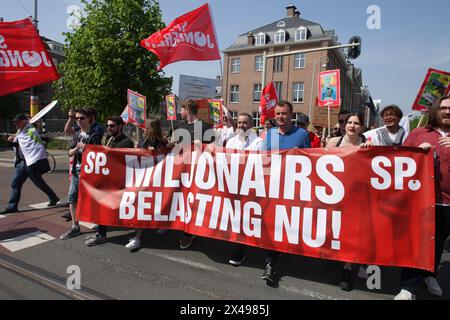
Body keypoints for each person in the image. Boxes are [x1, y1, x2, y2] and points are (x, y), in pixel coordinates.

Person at [394, 95, 450, 300]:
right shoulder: (419, 133)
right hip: (421, 199)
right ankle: (408, 287)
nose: (447, 111)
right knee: (417, 242)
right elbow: (399, 158)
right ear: (436, 110)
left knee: (438, 242)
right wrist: (416, 153)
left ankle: (430, 275)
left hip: (447, 202)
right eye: (444, 107)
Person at [260, 100, 311, 284]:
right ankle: (270, 262)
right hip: (273, 188)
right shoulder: (270, 134)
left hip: (293, 188)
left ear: (292, 115)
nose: (281, 117)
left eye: (284, 113)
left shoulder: (302, 134)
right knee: (274, 223)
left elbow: (312, 161)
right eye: (278, 114)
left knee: (286, 224)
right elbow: (262, 160)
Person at [326, 113, 371, 291]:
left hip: (357, 197)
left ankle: (347, 268)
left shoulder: (367, 145)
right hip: (334, 195)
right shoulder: (333, 143)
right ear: (344, 125)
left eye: (357, 123)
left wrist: (370, 152)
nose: (352, 126)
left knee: (351, 232)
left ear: (362, 127)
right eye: (350, 122)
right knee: (335, 229)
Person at [85, 116, 134, 246]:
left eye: (112, 126)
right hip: (106, 181)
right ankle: (101, 234)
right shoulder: (108, 139)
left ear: (120, 126)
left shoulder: (127, 142)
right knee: (101, 207)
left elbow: (127, 163)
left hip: (117, 183)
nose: (109, 128)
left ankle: (103, 234)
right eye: (107, 126)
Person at [172, 99, 215, 250]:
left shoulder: (205, 127)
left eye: (182, 109)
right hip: (180, 170)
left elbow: (214, 149)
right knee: (179, 199)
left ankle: (189, 233)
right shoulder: (179, 126)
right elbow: (174, 146)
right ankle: (178, 225)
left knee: (192, 200)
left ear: (188, 110)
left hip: (197, 171)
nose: (180, 112)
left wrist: (201, 146)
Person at [0, 114, 59, 214]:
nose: (16, 123)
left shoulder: (30, 130)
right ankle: (12, 206)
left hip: (31, 162)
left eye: (18, 121)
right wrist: (10, 139)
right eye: (15, 122)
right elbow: (18, 141)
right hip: (21, 162)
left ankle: (53, 197)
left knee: (39, 183)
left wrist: (35, 127)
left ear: (24, 121)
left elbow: (35, 139)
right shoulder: (20, 131)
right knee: (15, 183)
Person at [225, 113, 263, 266]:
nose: (241, 126)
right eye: (239, 123)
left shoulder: (259, 142)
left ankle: (242, 247)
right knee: (235, 215)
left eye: (245, 123)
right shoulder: (230, 142)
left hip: (251, 185)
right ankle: (237, 241)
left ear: (251, 125)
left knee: (247, 216)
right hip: (233, 184)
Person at [60, 109, 104, 240]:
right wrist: (75, 149)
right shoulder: (77, 134)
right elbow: (69, 152)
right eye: (77, 118)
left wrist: (85, 146)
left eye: (81, 118)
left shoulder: (96, 132)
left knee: (94, 199)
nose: (79, 120)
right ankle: (75, 226)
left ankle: (99, 225)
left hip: (91, 173)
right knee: (72, 198)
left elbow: (96, 149)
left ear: (89, 118)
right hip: (76, 171)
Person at [125, 117, 168, 251]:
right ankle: (138, 236)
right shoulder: (144, 141)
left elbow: (163, 156)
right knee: (142, 205)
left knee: (156, 203)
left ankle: (159, 226)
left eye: (146, 126)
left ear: (151, 127)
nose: (144, 128)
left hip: (156, 178)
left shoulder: (161, 142)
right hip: (144, 177)